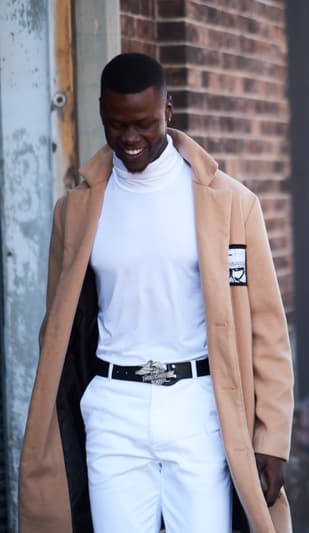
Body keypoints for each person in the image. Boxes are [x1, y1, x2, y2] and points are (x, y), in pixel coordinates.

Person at [17, 53, 294, 532]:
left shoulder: (229, 203)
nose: (129, 138)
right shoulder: (76, 209)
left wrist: (272, 436)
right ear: (102, 112)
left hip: (199, 405)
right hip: (113, 406)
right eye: (116, 124)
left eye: (144, 123)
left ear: (168, 110)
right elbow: (59, 326)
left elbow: (267, 326)